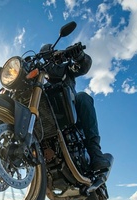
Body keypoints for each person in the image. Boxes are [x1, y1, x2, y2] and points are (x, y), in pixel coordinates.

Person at [40, 43, 111, 172]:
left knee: (83, 97)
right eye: (46, 56)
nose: (48, 59)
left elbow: (82, 67)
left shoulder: (65, 69)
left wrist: (79, 56)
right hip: (46, 118)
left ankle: (95, 153)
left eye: (50, 55)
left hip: (69, 111)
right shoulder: (38, 76)